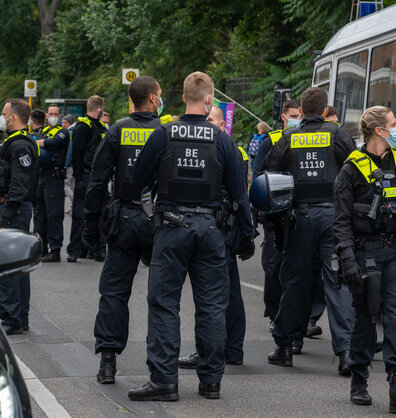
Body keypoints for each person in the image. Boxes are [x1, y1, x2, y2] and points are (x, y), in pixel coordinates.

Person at [128, 71, 255, 401]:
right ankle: (211, 382)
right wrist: (247, 236)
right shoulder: (223, 140)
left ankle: (164, 382)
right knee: (212, 305)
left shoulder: (163, 134)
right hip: (211, 230)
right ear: (210, 99)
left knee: (164, 304)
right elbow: (240, 196)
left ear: (183, 97)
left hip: (171, 228)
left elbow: (136, 180)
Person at [334, 106, 396, 413]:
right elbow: (341, 221)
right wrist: (348, 259)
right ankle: (359, 377)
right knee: (365, 316)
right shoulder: (351, 169)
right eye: (393, 124)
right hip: (367, 254)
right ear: (379, 130)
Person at [261, 87, 355, 374]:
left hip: (299, 220)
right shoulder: (338, 135)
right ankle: (346, 354)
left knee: (295, 283)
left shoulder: (287, 137)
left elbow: (270, 177)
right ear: (326, 111)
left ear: (300, 111)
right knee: (337, 283)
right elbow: (358, 168)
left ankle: (286, 347)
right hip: (334, 220)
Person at [85, 76, 164, 385]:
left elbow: (97, 178)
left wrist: (92, 223)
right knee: (162, 295)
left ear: (132, 100)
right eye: (159, 94)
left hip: (124, 217)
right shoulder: (165, 131)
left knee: (114, 291)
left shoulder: (116, 129)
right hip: (158, 219)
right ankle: (159, 366)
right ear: (153, 98)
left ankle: (107, 360)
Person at [177, 105, 249, 369]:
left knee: (212, 296)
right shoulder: (229, 148)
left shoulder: (225, 149)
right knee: (225, 292)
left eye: (211, 120)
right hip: (220, 226)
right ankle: (231, 349)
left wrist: (247, 233)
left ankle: (212, 351)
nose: (205, 123)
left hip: (221, 227)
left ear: (221, 125)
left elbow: (238, 195)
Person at [0, 99, 38, 335]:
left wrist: (3, 220)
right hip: (10, 208)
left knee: (5, 267)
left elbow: (18, 186)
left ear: (13, 117)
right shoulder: (14, 143)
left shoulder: (20, 146)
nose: (0, 118)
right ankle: (18, 317)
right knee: (17, 266)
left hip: (10, 209)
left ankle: (12, 318)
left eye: (4, 114)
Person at [253, 99, 299, 332]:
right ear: (283, 117)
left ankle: (298, 319)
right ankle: (274, 314)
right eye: (293, 115)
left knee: (297, 271)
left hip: (299, 216)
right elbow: (259, 177)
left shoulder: (304, 140)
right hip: (275, 215)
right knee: (273, 268)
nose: (296, 119)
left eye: (299, 115)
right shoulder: (269, 141)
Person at [68, 95, 107, 262]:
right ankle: (77, 250)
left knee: (99, 213)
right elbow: (76, 155)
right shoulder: (82, 127)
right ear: (99, 109)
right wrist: (79, 180)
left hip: (94, 176)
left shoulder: (102, 128)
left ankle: (95, 249)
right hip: (88, 175)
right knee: (81, 214)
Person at [32, 105, 70, 262]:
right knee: (39, 214)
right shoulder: (43, 132)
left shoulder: (63, 132)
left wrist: (40, 142)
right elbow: (35, 141)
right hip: (40, 177)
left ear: (60, 116)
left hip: (54, 178)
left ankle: (55, 250)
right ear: (47, 116)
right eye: (51, 114)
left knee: (54, 215)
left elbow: (53, 143)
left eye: (56, 113)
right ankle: (41, 248)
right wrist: (41, 141)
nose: (53, 116)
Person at [62, 114, 77, 213]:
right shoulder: (74, 131)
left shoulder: (70, 132)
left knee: (65, 183)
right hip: (74, 162)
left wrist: (66, 163)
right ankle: (73, 207)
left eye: (65, 123)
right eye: (62, 122)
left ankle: (74, 202)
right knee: (71, 185)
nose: (63, 125)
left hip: (70, 163)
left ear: (70, 123)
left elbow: (70, 150)